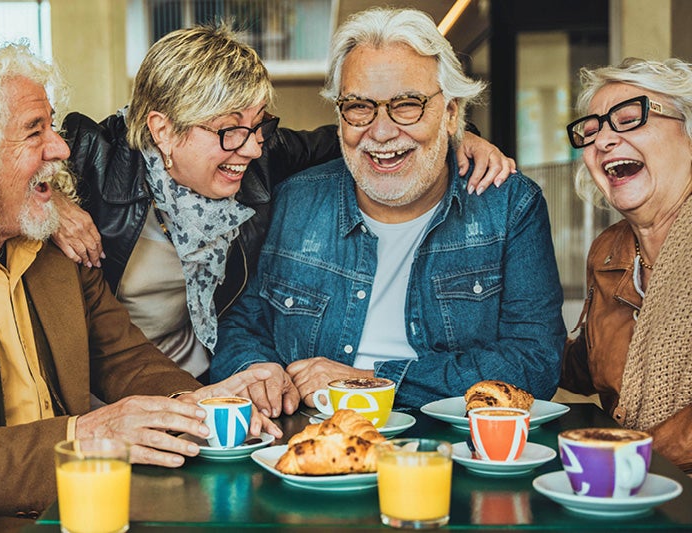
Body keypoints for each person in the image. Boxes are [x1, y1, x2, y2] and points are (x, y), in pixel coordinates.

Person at [0, 31, 282, 529]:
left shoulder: (54, 250)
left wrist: (200, 403)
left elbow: (124, 358)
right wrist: (86, 434)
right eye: (35, 131)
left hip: (91, 500)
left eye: (53, 126)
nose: (59, 147)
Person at [54, 22, 518, 383]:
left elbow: (363, 138)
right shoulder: (89, 158)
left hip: (206, 385)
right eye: (231, 130)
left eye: (258, 126)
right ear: (162, 129)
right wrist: (52, 199)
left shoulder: (262, 157)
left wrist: (459, 137)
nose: (252, 148)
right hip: (105, 389)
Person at [210, 7, 565, 415]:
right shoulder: (292, 202)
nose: (380, 132)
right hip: (309, 442)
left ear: (450, 113)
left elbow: (535, 364)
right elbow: (241, 325)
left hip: (454, 449)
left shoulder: (510, 208)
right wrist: (257, 370)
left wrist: (368, 384)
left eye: (407, 104)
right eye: (359, 107)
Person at [561, 57, 692, 473]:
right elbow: (581, 366)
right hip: (629, 484)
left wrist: (623, 464)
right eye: (593, 130)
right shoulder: (610, 250)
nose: (602, 142)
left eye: (630, 119)